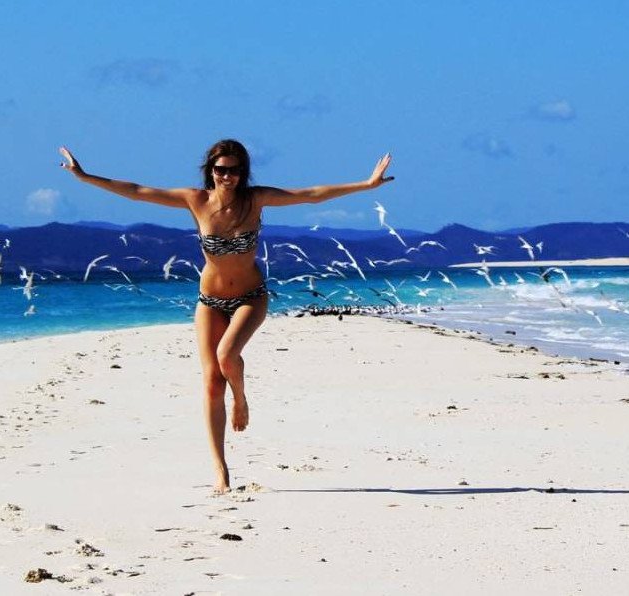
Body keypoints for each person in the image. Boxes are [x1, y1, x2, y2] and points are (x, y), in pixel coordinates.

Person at [59, 140, 393, 493]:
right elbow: (138, 191)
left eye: (234, 170)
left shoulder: (255, 200)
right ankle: (221, 470)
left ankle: (241, 398)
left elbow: (311, 194)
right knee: (211, 383)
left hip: (250, 297)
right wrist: (85, 177)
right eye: (221, 170)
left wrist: (366, 184)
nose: (227, 176)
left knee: (227, 355)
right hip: (210, 301)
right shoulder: (196, 200)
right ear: (211, 171)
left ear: (243, 172)